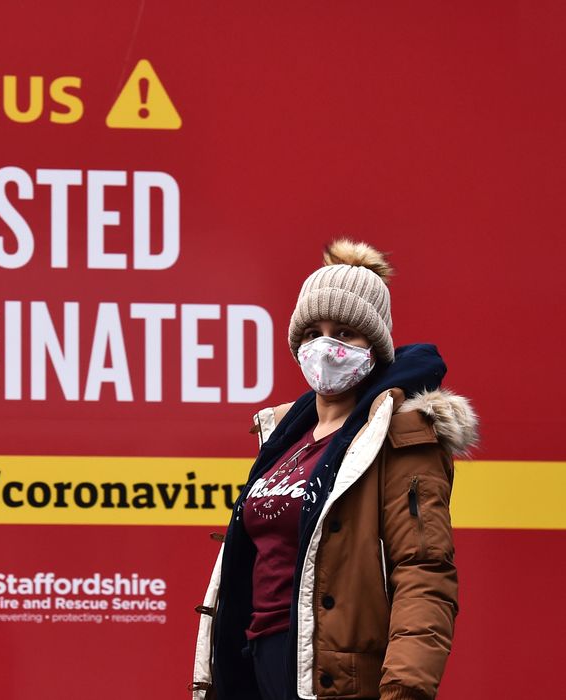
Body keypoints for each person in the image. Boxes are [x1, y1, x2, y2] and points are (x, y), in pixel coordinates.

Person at [190, 240, 478, 700]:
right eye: (312, 332)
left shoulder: (399, 435)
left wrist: (405, 690)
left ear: (375, 346)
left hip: (330, 677)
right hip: (253, 666)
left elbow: (423, 574)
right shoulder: (283, 436)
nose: (325, 345)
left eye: (345, 333)